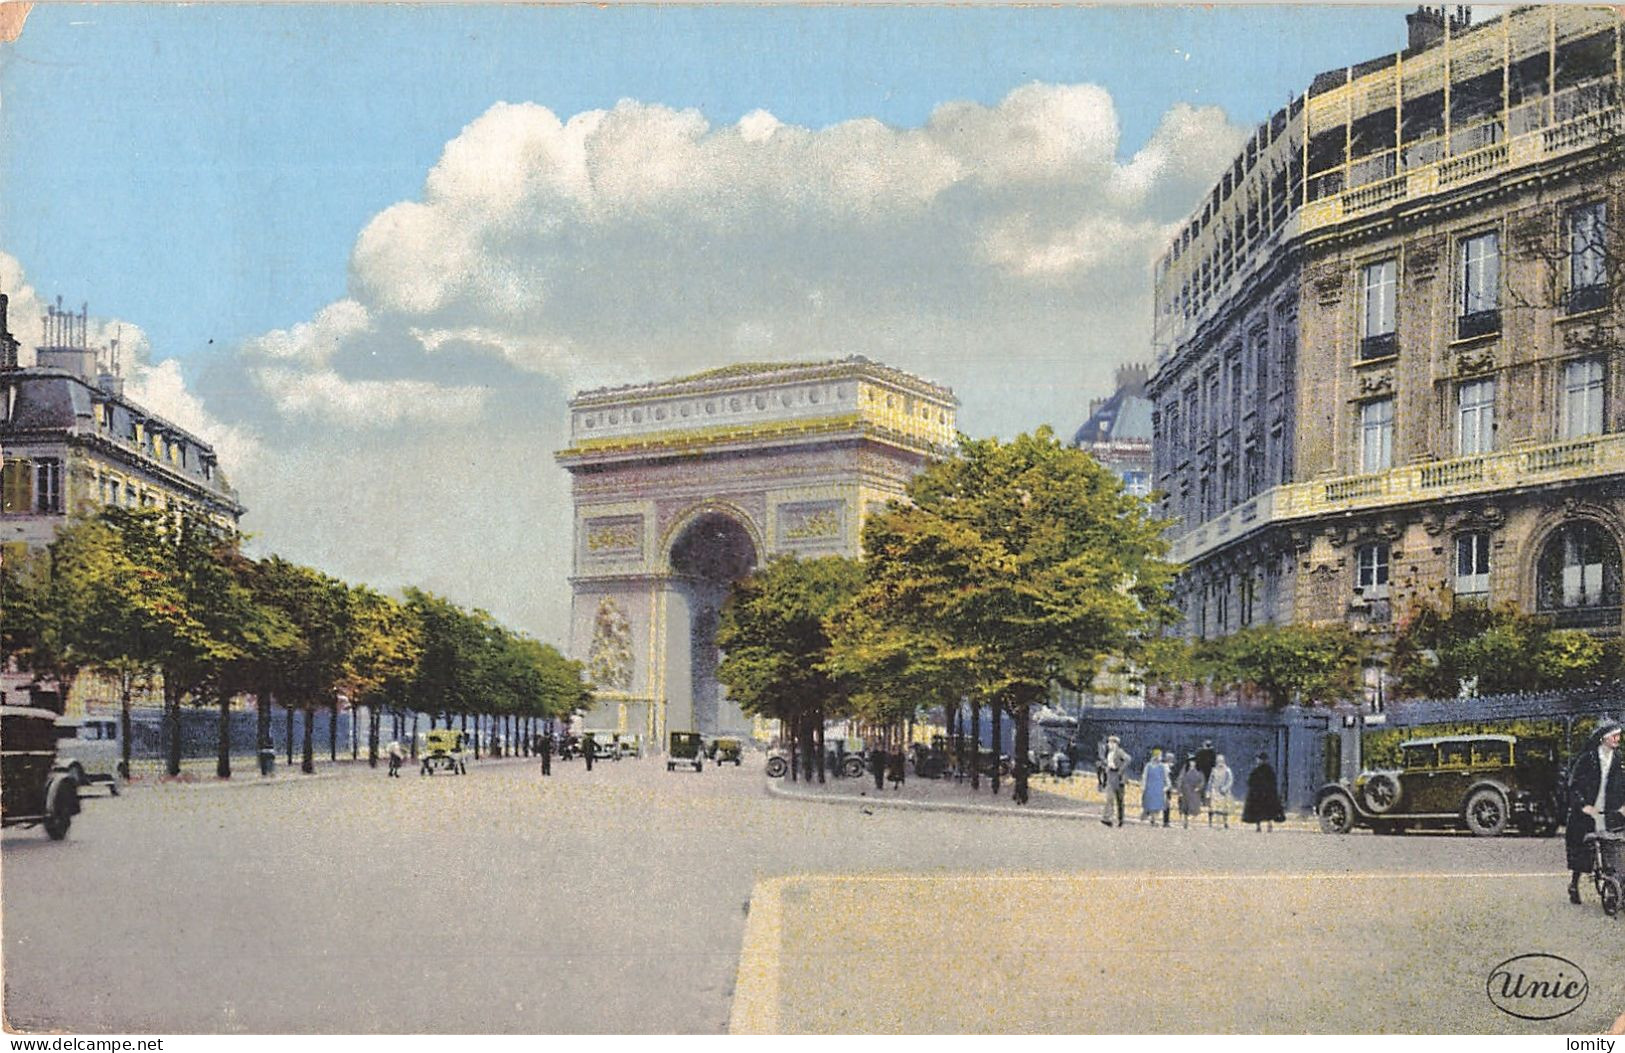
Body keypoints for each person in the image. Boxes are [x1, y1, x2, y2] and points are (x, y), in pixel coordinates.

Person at [1565, 718, 1624, 904]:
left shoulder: (1618, 759)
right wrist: (1583, 806)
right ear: (1604, 738)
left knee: (1611, 847)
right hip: (1588, 810)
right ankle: (1574, 884)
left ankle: (1613, 887)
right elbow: (1574, 786)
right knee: (1584, 851)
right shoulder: (1587, 759)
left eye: (1619, 736)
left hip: (1609, 810)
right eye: (1615, 736)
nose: (1618, 739)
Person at [1242, 751, 1285, 832]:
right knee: (1266, 810)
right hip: (1264, 794)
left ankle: (1262, 826)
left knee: (1261, 811)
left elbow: (1250, 781)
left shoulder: (1259, 770)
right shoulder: (1266, 770)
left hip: (1260, 794)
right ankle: (1265, 825)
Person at [1100, 736, 1131, 827]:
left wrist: (1121, 770)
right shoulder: (1109, 753)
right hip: (1111, 776)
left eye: (1110, 742)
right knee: (1109, 797)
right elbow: (1109, 763)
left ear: (1115, 744)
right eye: (1108, 742)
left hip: (1118, 777)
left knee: (1120, 800)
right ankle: (1106, 818)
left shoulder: (1119, 752)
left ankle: (1121, 819)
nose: (1109, 744)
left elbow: (1128, 759)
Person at [1141, 748, 1171, 826]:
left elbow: (1166, 777)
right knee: (1151, 803)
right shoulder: (1148, 766)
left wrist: (1167, 786)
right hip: (1150, 787)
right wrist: (1143, 787)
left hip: (1159, 788)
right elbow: (1144, 776)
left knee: (1158, 805)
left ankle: (1154, 819)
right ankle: (1152, 818)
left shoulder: (1162, 766)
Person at [1207, 754, 1234, 828]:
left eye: (1221, 761)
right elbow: (1210, 781)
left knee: (1224, 808)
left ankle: (1225, 822)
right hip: (1215, 791)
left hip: (1223, 791)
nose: (1220, 763)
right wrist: (1208, 791)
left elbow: (1230, 780)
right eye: (1218, 761)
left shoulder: (1227, 770)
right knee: (1213, 807)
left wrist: (1225, 788)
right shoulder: (1214, 770)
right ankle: (1211, 822)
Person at [1177, 759, 1206, 829]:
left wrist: (1198, 787)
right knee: (1185, 809)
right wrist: (1180, 790)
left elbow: (1202, 781)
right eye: (1191, 762)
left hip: (1194, 793)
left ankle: (1192, 823)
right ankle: (1185, 822)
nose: (1192, 763)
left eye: (1194, 762)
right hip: (1185, 792)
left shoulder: (1199, 772)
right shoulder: (1184, 771)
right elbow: (1180, 780)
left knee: (1194, 809)